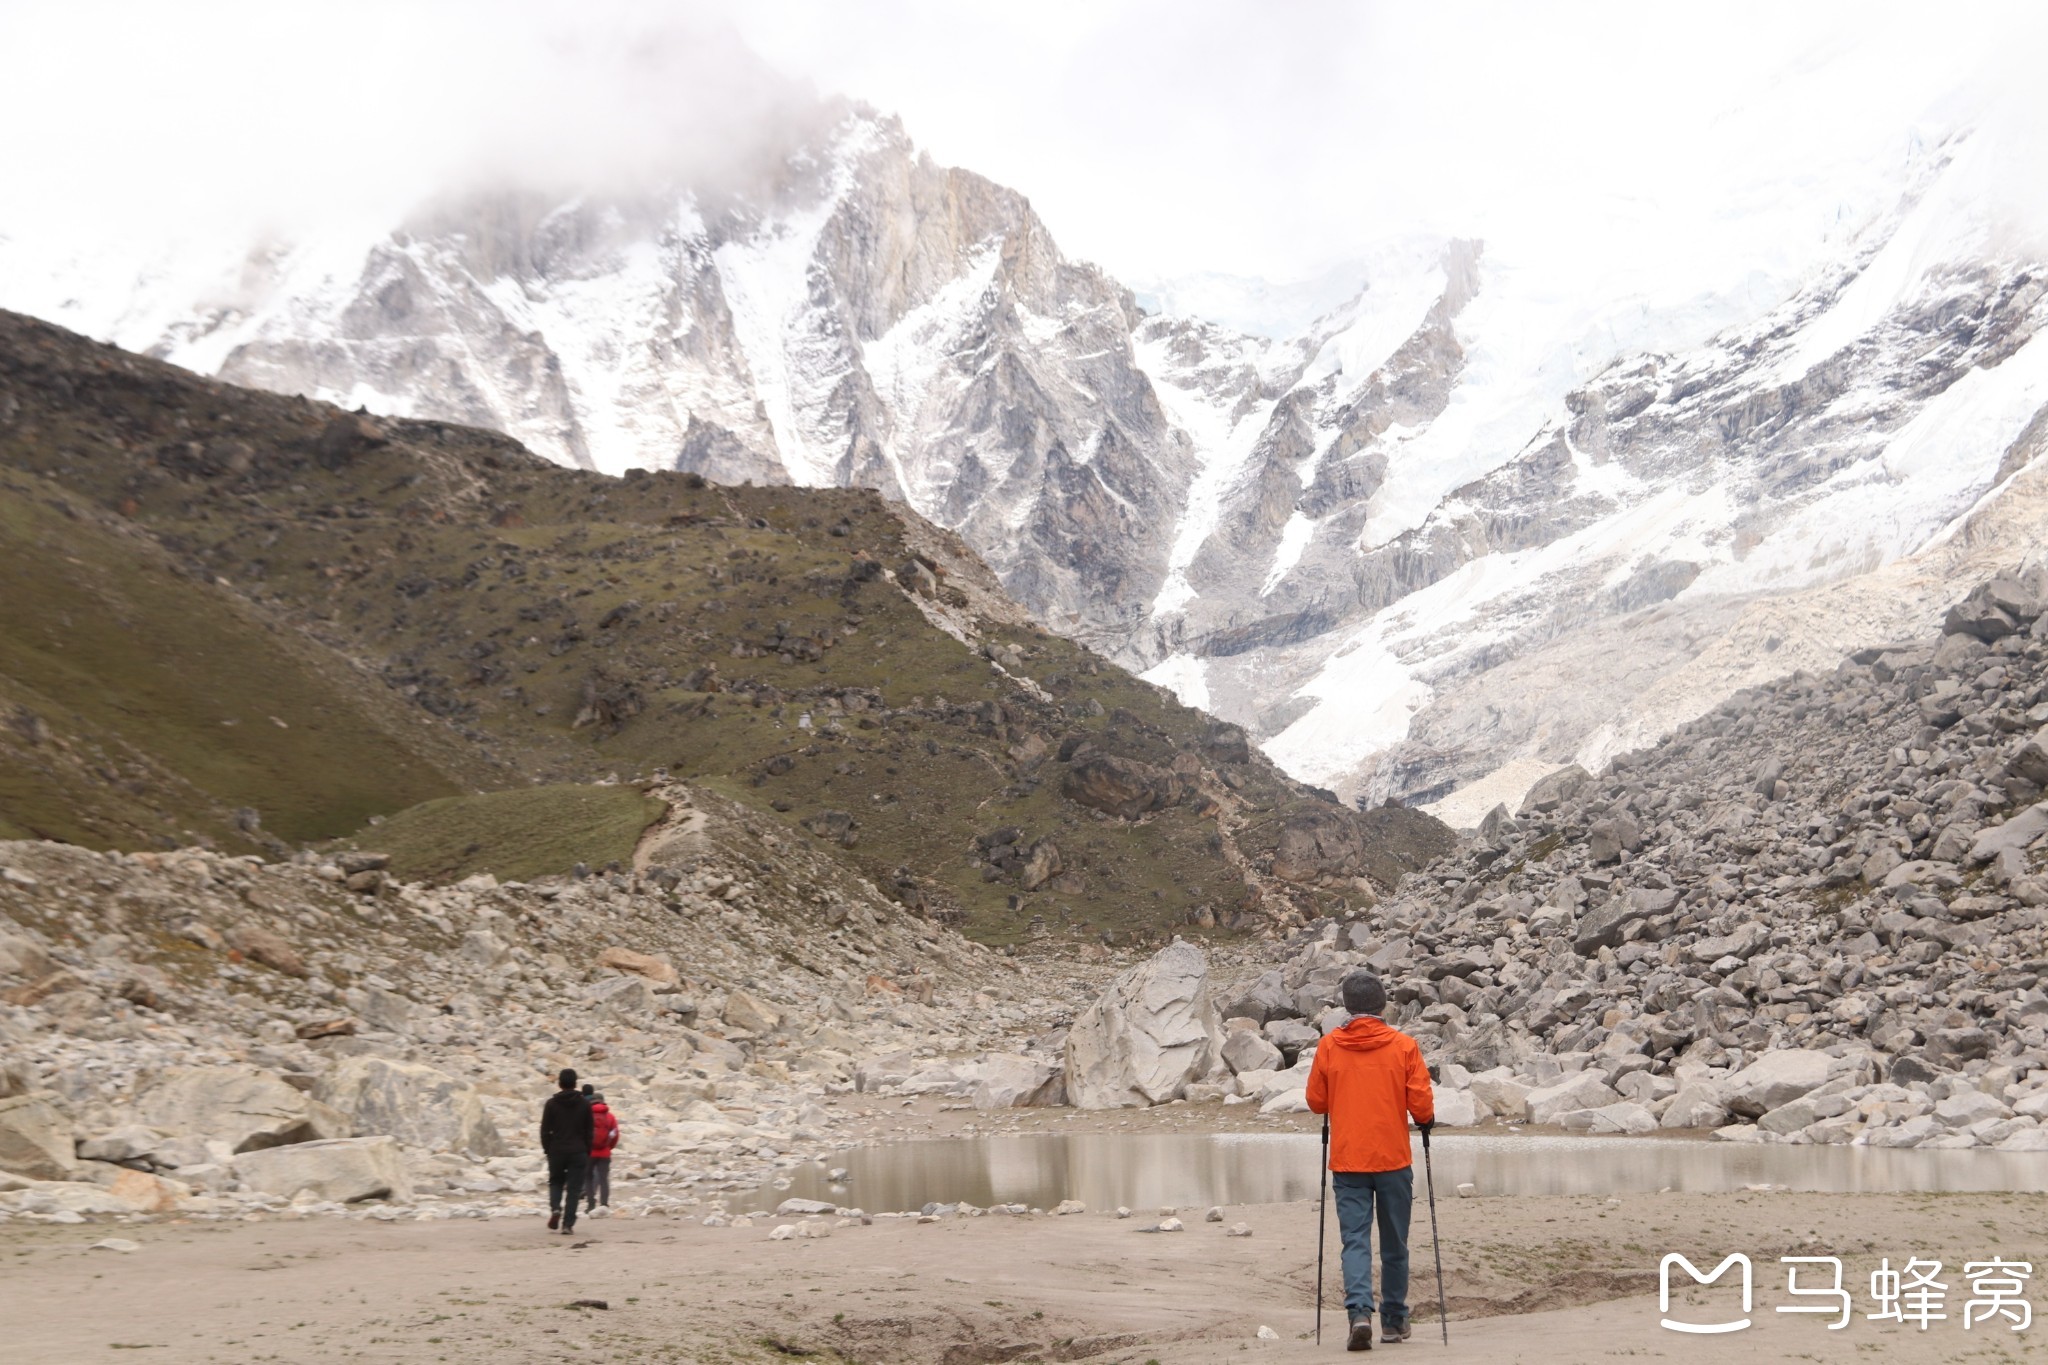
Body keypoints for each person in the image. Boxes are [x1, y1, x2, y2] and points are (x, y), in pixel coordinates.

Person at [1306, 971, 1435, 1351]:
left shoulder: (1330, 1046)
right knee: (1395, 1243)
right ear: (1382, 1005)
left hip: (1348, 1161)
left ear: (1347, 1006)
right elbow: (1421, 1104)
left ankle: (1359, 1314)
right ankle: (1393, 1321)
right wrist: (1426, 1121)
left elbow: (1316, 1102)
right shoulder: (1404, 1046)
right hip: (1393, 1159)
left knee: (1355, 1242)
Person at [540, 1068, 593, 1234]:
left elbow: (544, 1130)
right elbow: (589, 1130)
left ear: (559, 1083)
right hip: (578, 1151)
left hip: (556, 1150)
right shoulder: (584, 1104)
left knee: (555, 1182)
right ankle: (568, 1224)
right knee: (574, 1189)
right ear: (575, 1083)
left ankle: (556, 1208)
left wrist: (547, 1149)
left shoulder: (551, 1104)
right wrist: (587, 1150)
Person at [585, 1091, 619, 1212]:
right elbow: (615, 1135)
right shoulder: (610, 1117)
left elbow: (582, 1134)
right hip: (605, 1153)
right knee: (604, 1179)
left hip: (590, 1153)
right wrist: (609, 1147)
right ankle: (604, 1204)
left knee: (588, 1177)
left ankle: (590, 1204)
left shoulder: (587, 1115)